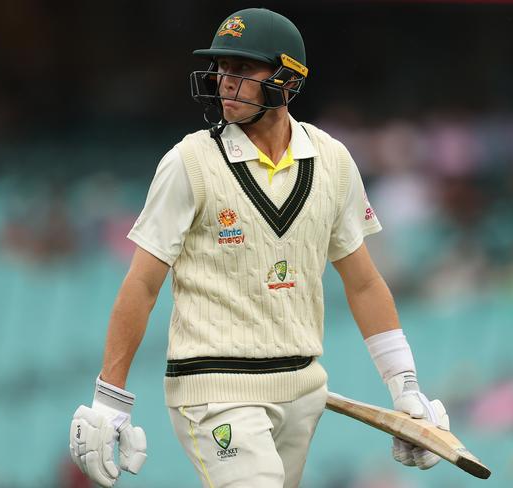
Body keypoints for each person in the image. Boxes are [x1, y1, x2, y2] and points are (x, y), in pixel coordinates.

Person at [69, 8, 450, 488]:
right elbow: (142, 285)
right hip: (213, 389)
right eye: (222, 68)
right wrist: (109, 399)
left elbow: (364, 283)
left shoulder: (332, 160)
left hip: (303, 389)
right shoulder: (189, 162)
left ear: (287, 79)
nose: (226, 81)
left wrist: (406, 387)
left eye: (244, 69)